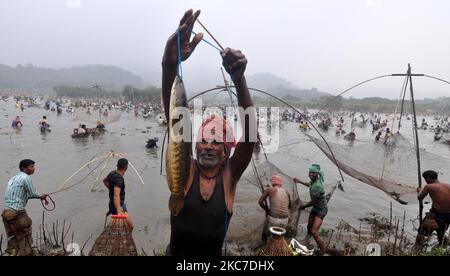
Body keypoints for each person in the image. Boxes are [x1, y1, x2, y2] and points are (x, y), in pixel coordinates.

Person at [163, 9, 256, 256]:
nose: (207, 146)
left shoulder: (229, 177)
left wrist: (239, 79)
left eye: (216, 142)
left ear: (226, 151)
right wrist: (170, 62)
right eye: (203, 139)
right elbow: (175, 118)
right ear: (194, 146)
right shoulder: (186, 171)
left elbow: (250, 136)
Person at [2, 159, 48, 256]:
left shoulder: (13, 178)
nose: (34, 169)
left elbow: (23, 195)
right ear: (24, 168)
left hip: (6, 213)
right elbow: (32, 193)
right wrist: (41, 196)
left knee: (12, 238)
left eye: (33, 166)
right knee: (26, 236)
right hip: (17, 212)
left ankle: (12, 254)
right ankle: (26, 253)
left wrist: (38, 196)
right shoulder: (25, 177)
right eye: (31, 167)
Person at [293, 164, 328, 255]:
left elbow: (313, 201)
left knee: (313, 231)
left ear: (317, 174)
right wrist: (299, 181)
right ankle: (308, 244)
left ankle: (323, 250)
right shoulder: (314, 181)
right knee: (309, 228)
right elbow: (309, 185)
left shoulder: (317, 186)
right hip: (315, 208)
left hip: (321, 210)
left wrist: (303, 206)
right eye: (310, 172)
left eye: (313, 173)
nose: (311, 174)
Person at [414, 170, 450, 250]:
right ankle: (445, 249)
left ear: (429, 178)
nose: (426, 181)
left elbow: (420, 198)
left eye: (425, 179)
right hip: (448, 216)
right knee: (441, 235)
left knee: (421, 233)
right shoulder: (448, 186)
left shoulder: (429, 186)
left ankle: (417, 251)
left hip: (435, 215)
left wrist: (419, 191)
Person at [258, 174, 291, 241]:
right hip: (285, 221)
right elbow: (289, 206)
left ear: (272, 182)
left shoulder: (269, 189)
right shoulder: (286, 192)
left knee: (264, 234)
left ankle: (263, 245)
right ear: (280, 183)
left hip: (273, 219)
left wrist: (267, 210)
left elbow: (260, 201)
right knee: (278, 236)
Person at [103, 158, 133, 229]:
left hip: (112, 205)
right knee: (131, 226)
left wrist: (111, 189)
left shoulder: (112, 173)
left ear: (117, 166)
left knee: (118, 227)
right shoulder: (119, 179)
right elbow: (116, 195)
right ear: (126, 168)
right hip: (118, 206)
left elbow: (104, 180)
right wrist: (119, 211)